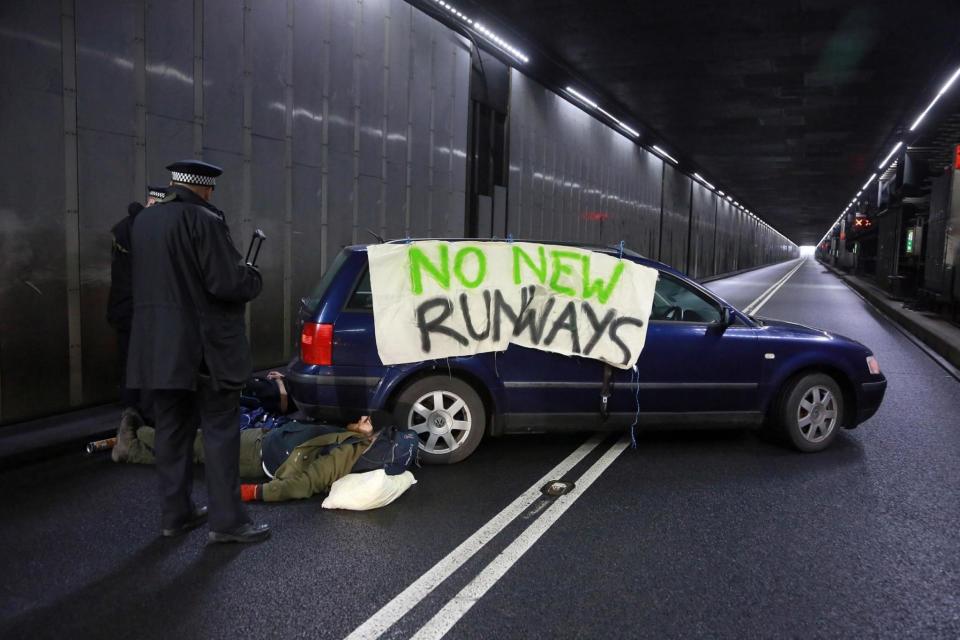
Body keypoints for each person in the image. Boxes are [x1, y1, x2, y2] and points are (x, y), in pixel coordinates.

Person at [127, 160, 269, 543]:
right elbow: (226, 283)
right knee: (221, 432)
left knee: (171, 429)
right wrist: (252, 277)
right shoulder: (204, 220)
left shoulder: (146, 221)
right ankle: (228, 523)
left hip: (159, 349)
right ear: (206, 188)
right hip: (205, 350)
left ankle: (176, 514)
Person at [112, 412, 413, 502]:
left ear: (372, 438)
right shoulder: (350, 441)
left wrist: (251, 492)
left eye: (368, 421)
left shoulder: (349, 452)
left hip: (260, 454)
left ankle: (141, 432)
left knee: (200, 443)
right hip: (267, 443)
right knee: (201, 450)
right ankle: (133, 450)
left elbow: (304, 483)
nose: (362, 417)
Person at [108, 185, 167, 462]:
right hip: (139, 312)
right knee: (145, 371)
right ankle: (141, 432)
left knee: (130, 369)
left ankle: (130, 425)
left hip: (124, 310)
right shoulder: (143, 232)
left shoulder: (124, 228)